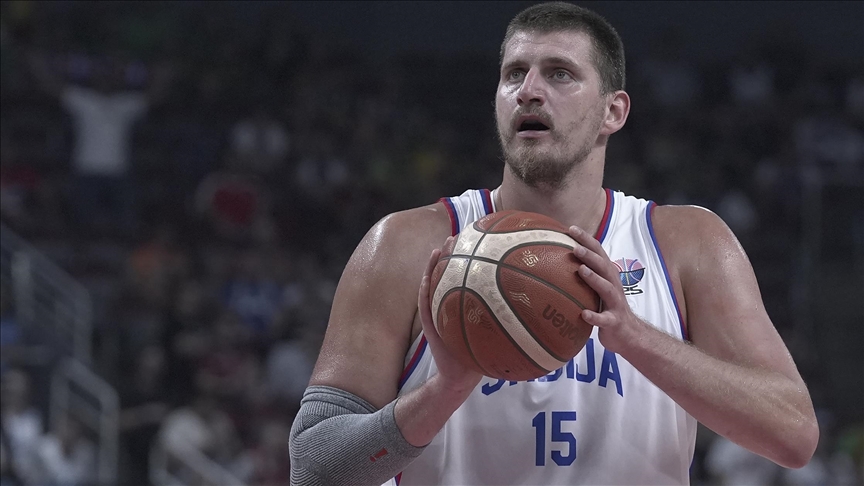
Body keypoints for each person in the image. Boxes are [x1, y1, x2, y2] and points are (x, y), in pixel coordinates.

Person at [288, 3, 819, 485]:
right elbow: (312, 469)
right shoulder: (408, 246)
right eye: (513, 74)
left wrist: (636, 338)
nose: (529, 90)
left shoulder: (687, 244)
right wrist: (443, 391)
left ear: (614, 111)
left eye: (559, 73)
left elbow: (794, 436)